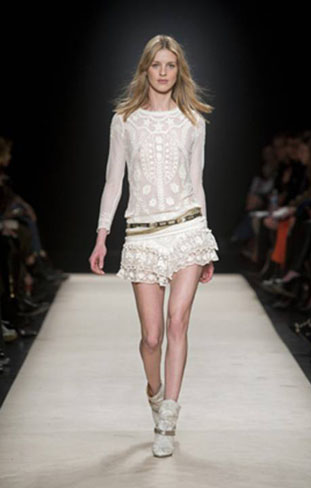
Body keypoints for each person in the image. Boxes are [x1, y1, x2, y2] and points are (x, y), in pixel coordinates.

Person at [88, 34, 219, 458]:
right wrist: (102, 235)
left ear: (179, 71)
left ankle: (169, 419)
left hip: (186, 230)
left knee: (178, 322)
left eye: (171, 65)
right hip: (142, 233)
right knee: (151, 336)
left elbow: (197, 182)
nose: (163, 72)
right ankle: (155, 392)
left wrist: (205, 241)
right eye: (157, 65)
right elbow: (113, 182)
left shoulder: (193, 120)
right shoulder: (124, 120)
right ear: (145, 69)